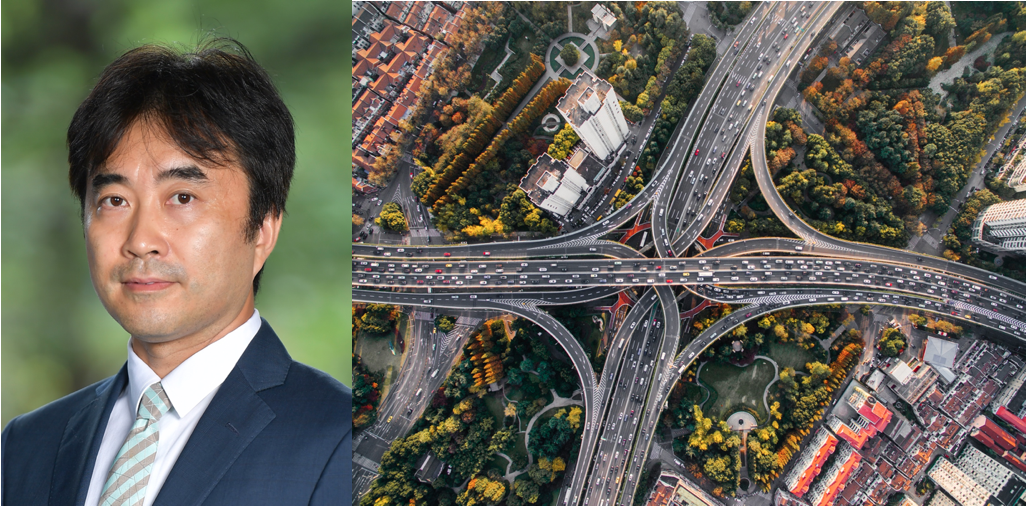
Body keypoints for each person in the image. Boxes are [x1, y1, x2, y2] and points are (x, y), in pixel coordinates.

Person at [1, 39, 351, 505]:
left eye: (182, 198)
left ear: (263, 229)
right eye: (114, 200)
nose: (141, 239)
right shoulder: (25, 448)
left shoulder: (342, 442)